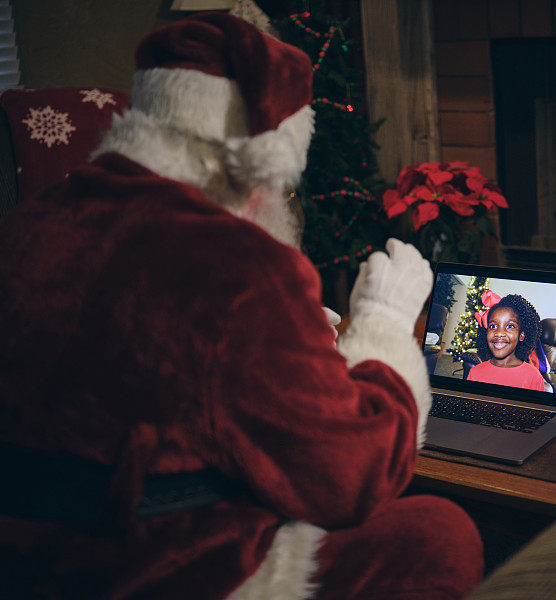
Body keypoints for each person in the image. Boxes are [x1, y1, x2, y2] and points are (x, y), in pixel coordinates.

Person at [0, 13, 482, 600]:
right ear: (262, 161)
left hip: (28, 565)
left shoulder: (28, 224)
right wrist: (382, 324)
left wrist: (291, 343)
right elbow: (350, 478)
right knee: (441, 533)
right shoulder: (238, 268)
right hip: (160, 572)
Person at [467, 294, 546, 391]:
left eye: (510, 326)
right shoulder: (475, 372)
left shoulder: (533, 376)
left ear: (521, 335)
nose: (499, 333)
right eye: (493, 326)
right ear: (486, 332)